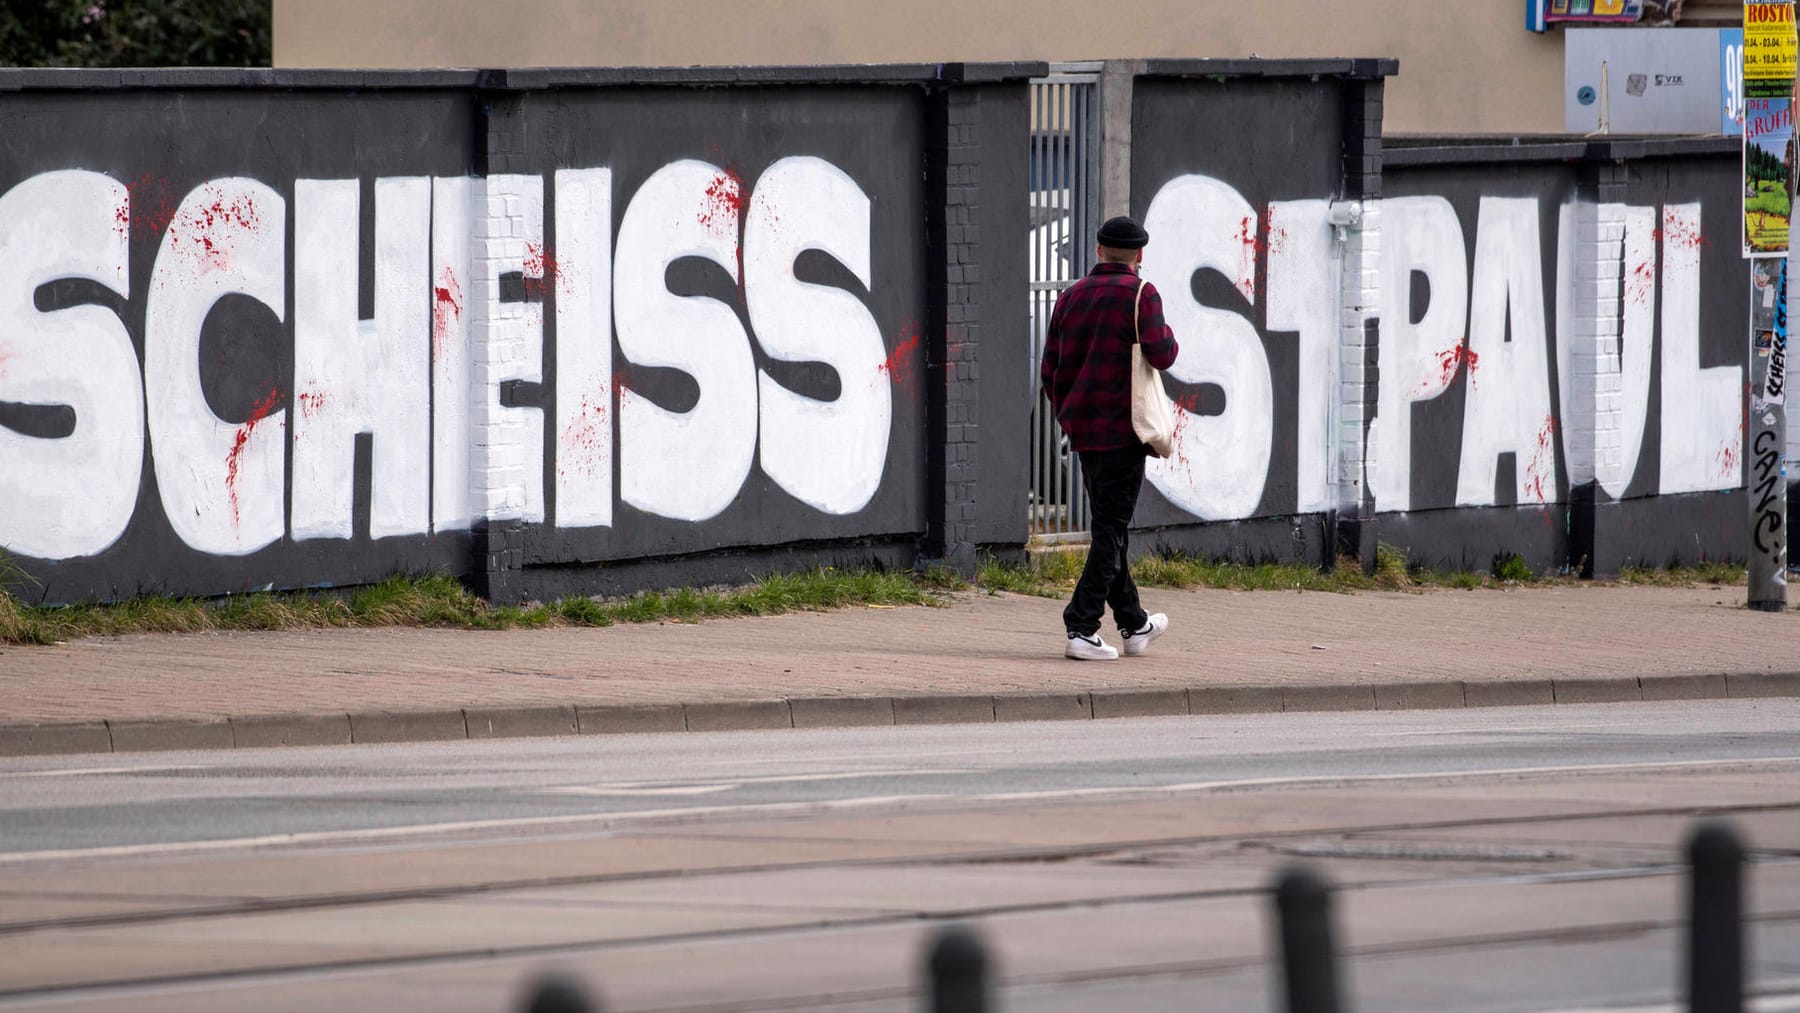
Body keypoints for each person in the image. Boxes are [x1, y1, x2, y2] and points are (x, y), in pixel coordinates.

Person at [1038, 215, 1178, 661]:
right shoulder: (1142, 294)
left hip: (1084, 432)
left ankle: (1134, 625)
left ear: (1099, 251)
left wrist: (1069, 414)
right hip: (1125, 430)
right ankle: (1080, 627)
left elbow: (1049, 370)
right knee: (1110, 529)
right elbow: (1162, 353)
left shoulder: (1070, 297)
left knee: (1109, 528)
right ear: (1139, 256)